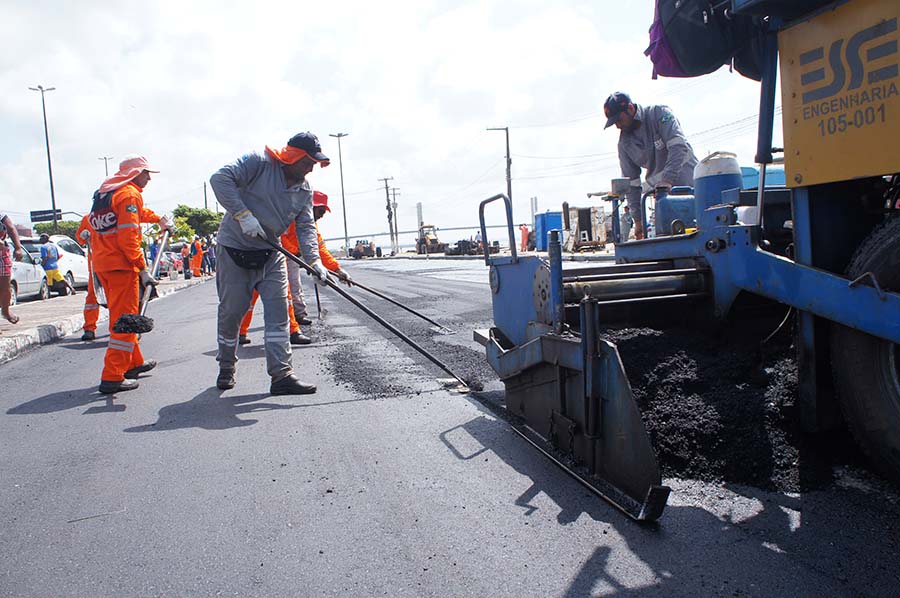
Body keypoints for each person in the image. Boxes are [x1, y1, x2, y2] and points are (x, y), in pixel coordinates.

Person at [210, 131, 333, 395]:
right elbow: (219, 179)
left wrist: (315, 262)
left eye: (314, 164)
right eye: (307, 162)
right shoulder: (258, 163)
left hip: (271, 253)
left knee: (279, 315)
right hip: (234, 250)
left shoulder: (304, 190)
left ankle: (281, 375)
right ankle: (226, 366)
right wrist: (243, 215)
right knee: (231, 314)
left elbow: (306, 227)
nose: (311, 169)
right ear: (293, 157)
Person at [89, 155, 174, 394]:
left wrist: (158, 219)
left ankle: (133, 362)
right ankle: (113, 375)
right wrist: (143, 269)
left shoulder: (106, 193)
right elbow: (129, 239)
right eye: (146, 173)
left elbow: (135, 214)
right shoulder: (129, 194)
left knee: (121, 317)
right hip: (122, 266)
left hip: (104, 264)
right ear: (134, 173)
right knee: (126, 322)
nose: (148, 178)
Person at [603, 91, 698, 240]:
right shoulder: (625, 144)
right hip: (665, 205)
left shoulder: (659, 114)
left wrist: (667, 180)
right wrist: (638, 221)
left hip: (692, 193)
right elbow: (632, 183)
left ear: (630, 108)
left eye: (619, 120)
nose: (618, 126)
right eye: (614, 123)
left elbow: (678, 146)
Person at [75, 215, 102, 340]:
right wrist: (83, 236)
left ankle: (119, 328)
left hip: (113, 264)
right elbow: (80, 239)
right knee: (92, 297)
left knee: (116, 299)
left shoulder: (118, 213)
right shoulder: (88, 219)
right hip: (96, 266)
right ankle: (90, 328)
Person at [0, 212, 25, 325]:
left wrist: (18, 248)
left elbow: (11, 228)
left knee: (5, 286)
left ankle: (5, 311)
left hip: (2, 252)